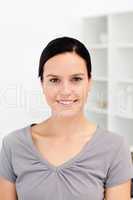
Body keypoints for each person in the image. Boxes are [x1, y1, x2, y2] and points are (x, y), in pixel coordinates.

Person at [0, 36, 132, 200]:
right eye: (54, 80)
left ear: (89, 82)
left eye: (76, 79)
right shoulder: (13, 145)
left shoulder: (115, 147)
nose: (65, 91)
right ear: (42, 84)